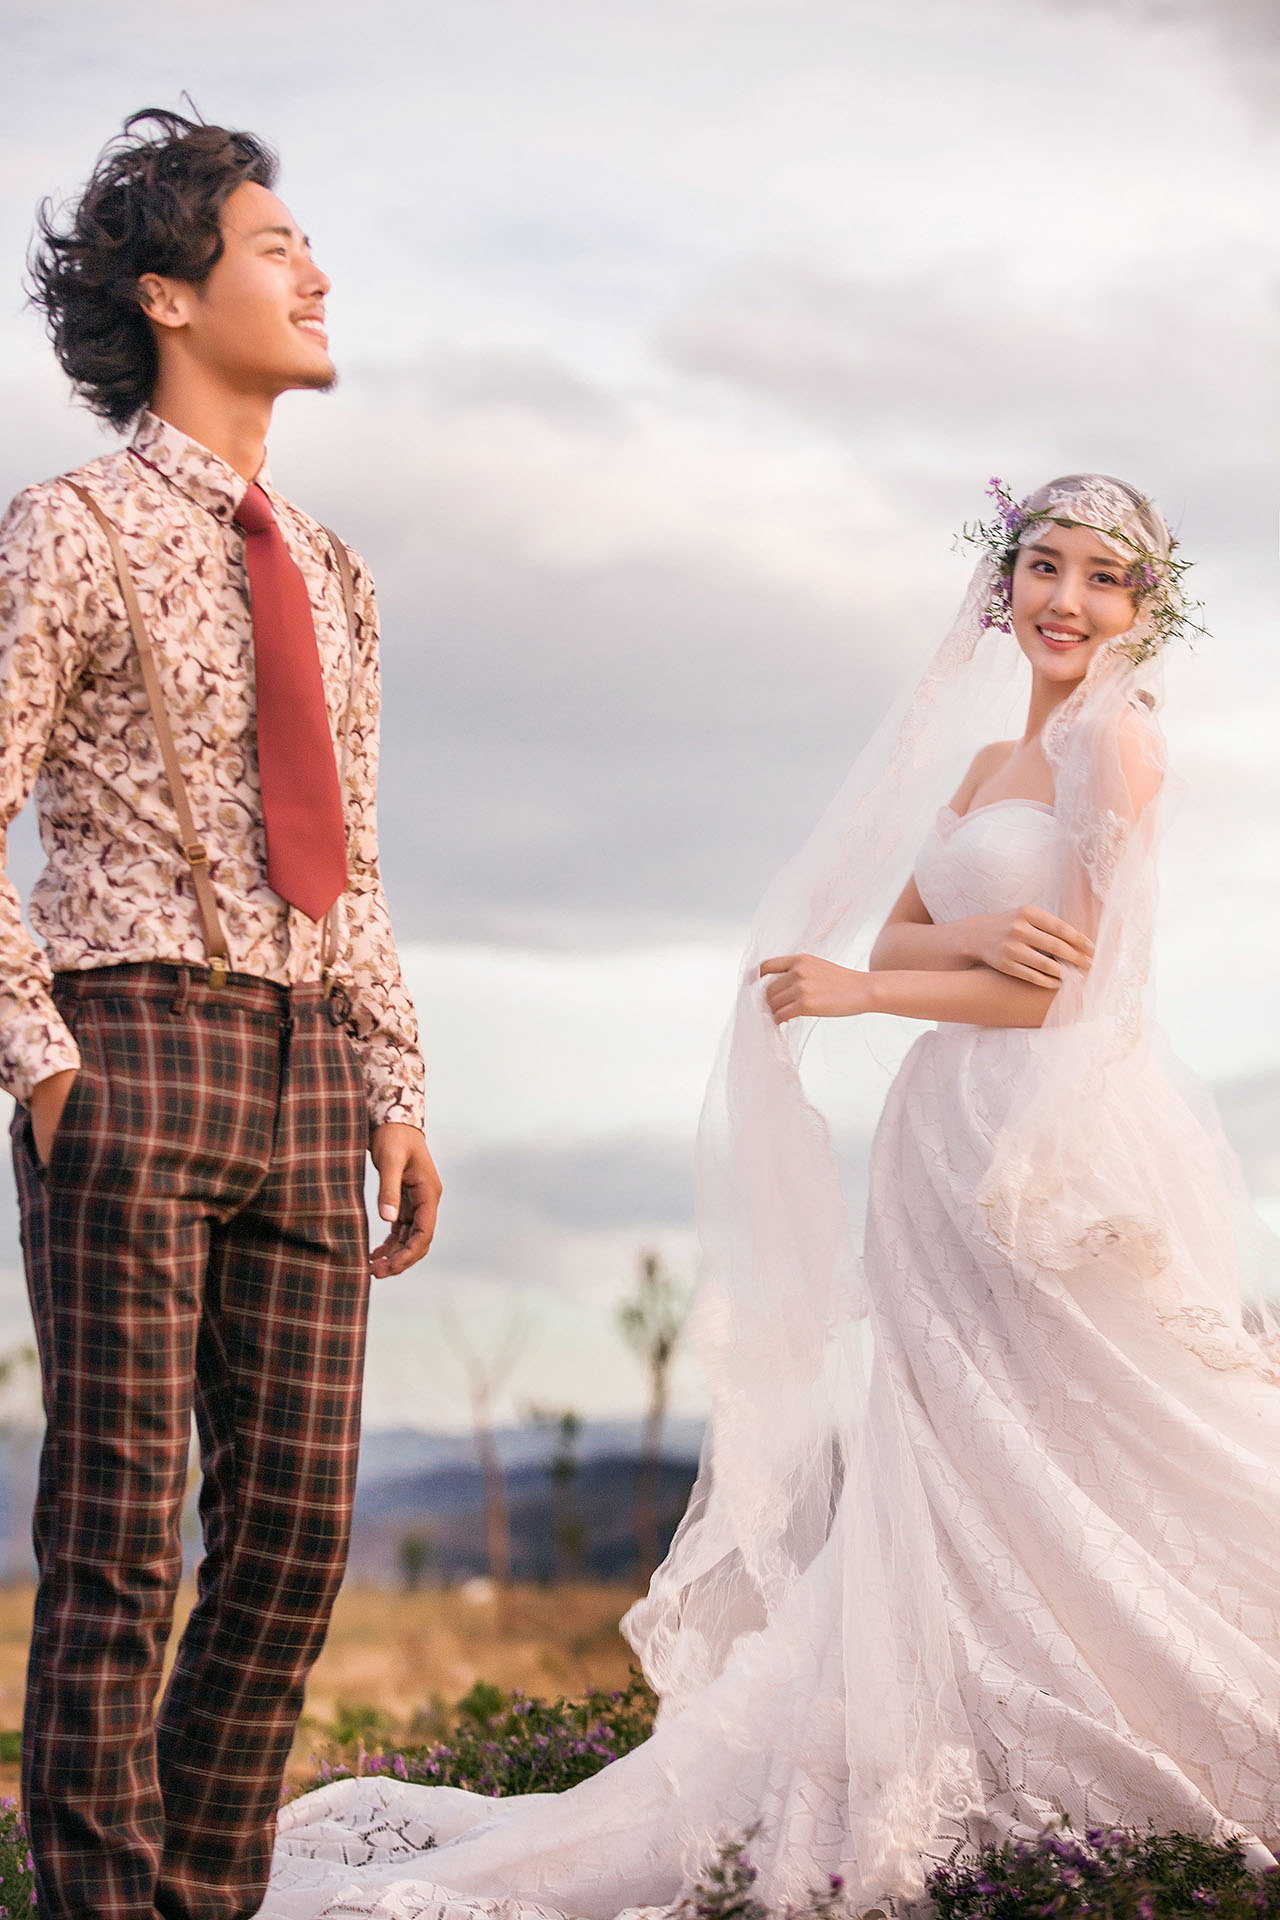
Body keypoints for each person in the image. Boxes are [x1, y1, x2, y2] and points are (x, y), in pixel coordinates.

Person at [265, 476, 1279, 1920]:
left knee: (1079, 1433)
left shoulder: (1121, 743)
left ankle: (1112, 1727)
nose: (1064, 600)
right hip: (938, 1141)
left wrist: (874, 991)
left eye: (1102, 578)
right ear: (1003, 583)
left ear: (1144, 608)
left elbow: (1068, 992)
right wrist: (957, 944)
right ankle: (950, 1710)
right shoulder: (989, 758)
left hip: (1041, 1146)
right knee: (951, 1451)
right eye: (1043, 566)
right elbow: (909, 933)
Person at [0, 109, 442, 1920]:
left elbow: (355, 842)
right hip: (129, 1049)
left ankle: (193, 1895)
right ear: (169, 296)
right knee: (116, 1541)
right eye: (276, 245)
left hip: (311, 1065)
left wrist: (395, 1080)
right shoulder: (70, 526)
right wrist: (44, 1066)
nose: (316, 272)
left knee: (296, 1536)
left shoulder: (331, 569)